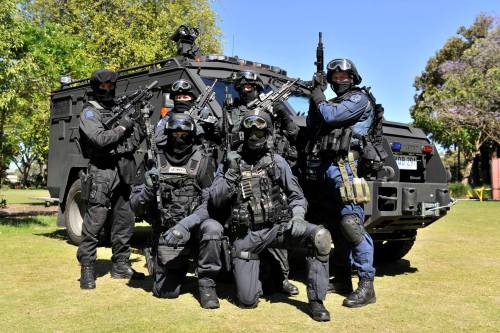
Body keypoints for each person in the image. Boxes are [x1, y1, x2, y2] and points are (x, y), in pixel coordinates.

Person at [206, 109, 332, 321]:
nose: (255, 137)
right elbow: (215, 201)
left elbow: (297, 197)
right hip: (246, 236)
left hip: (277, 229)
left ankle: (317, 302)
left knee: (320, 237)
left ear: (268, 135)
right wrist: (230, 173)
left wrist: (298, 217)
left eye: (260, 133)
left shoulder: (277, 162)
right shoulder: (230, 162)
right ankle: (266, 274)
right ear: (243, 134)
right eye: (250, 133)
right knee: (248, 301)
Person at [130, 112, 223, 309]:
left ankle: (207, 285)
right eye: (175, 133)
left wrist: (186, 224)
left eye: (184, 133)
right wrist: (148, 189)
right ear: (167, 133)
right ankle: (174, 268)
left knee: (213, 228)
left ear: (192, 134)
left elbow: (211, 204)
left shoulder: (203, 160)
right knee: (166, 294)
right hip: (167, 232)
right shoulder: (153, 158)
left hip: (194, 227)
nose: (179, 137)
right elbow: (135, 205)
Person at [223, 70, 300, 296]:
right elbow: (228, 136)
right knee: (241, 218)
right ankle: (238, 270)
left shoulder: (272, 107)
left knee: (275, 213)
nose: (247, 88)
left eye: (251, 85)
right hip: (241, 165)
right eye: (243, 85)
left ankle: (282, 276)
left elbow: (293, 131)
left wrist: (278, 112)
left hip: (269, 166)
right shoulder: (232, 109)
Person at [307, 58, 376, 307]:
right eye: (334, 78)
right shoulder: (331, 100)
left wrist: (318, 96)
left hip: (347, 167)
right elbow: (314, 122)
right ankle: (342, 278)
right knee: (335, 226)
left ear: (353, 77)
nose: (339, 81)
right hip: (327, 167)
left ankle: (367, 286)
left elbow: (332, 116)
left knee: (351, 224)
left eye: (343, 76)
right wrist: (313, 96)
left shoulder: (359, 99)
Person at [77, 69, 145, 289]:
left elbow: (131, 144)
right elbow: (99, 139)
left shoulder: (118, 109)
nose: (107, 90)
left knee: (124, 220)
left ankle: (120, 264)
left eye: (110, 87)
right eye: (102, 87)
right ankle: (87, 268)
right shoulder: (90, 112)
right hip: (102, 170)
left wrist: (140, 123)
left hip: (124, 168)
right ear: (96, 88)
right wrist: (123, 126)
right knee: (95, 220)